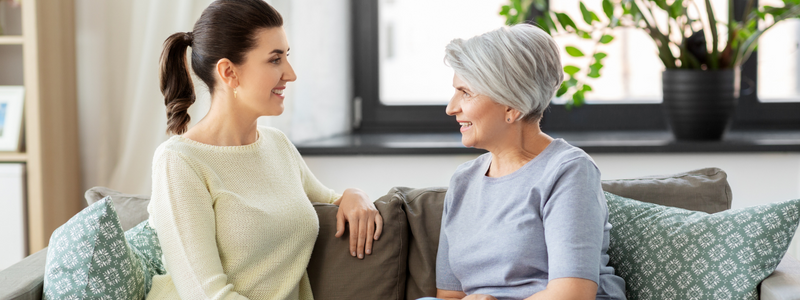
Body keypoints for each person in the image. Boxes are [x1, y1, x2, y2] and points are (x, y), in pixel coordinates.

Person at [145, 1, 383, 299]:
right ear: (229, 72)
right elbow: (206, 296)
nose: (291, 74)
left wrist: (356, 194)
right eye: (274, 60)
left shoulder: (277, 145)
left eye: (287, 57)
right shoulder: (179, 162)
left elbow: (333, 200)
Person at [429, 24, 626, 300]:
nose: (451, 107)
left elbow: (573, 294)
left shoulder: (568, 171)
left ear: (512, 106)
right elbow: (449, 295)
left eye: (466, 93)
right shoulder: (463, 181)